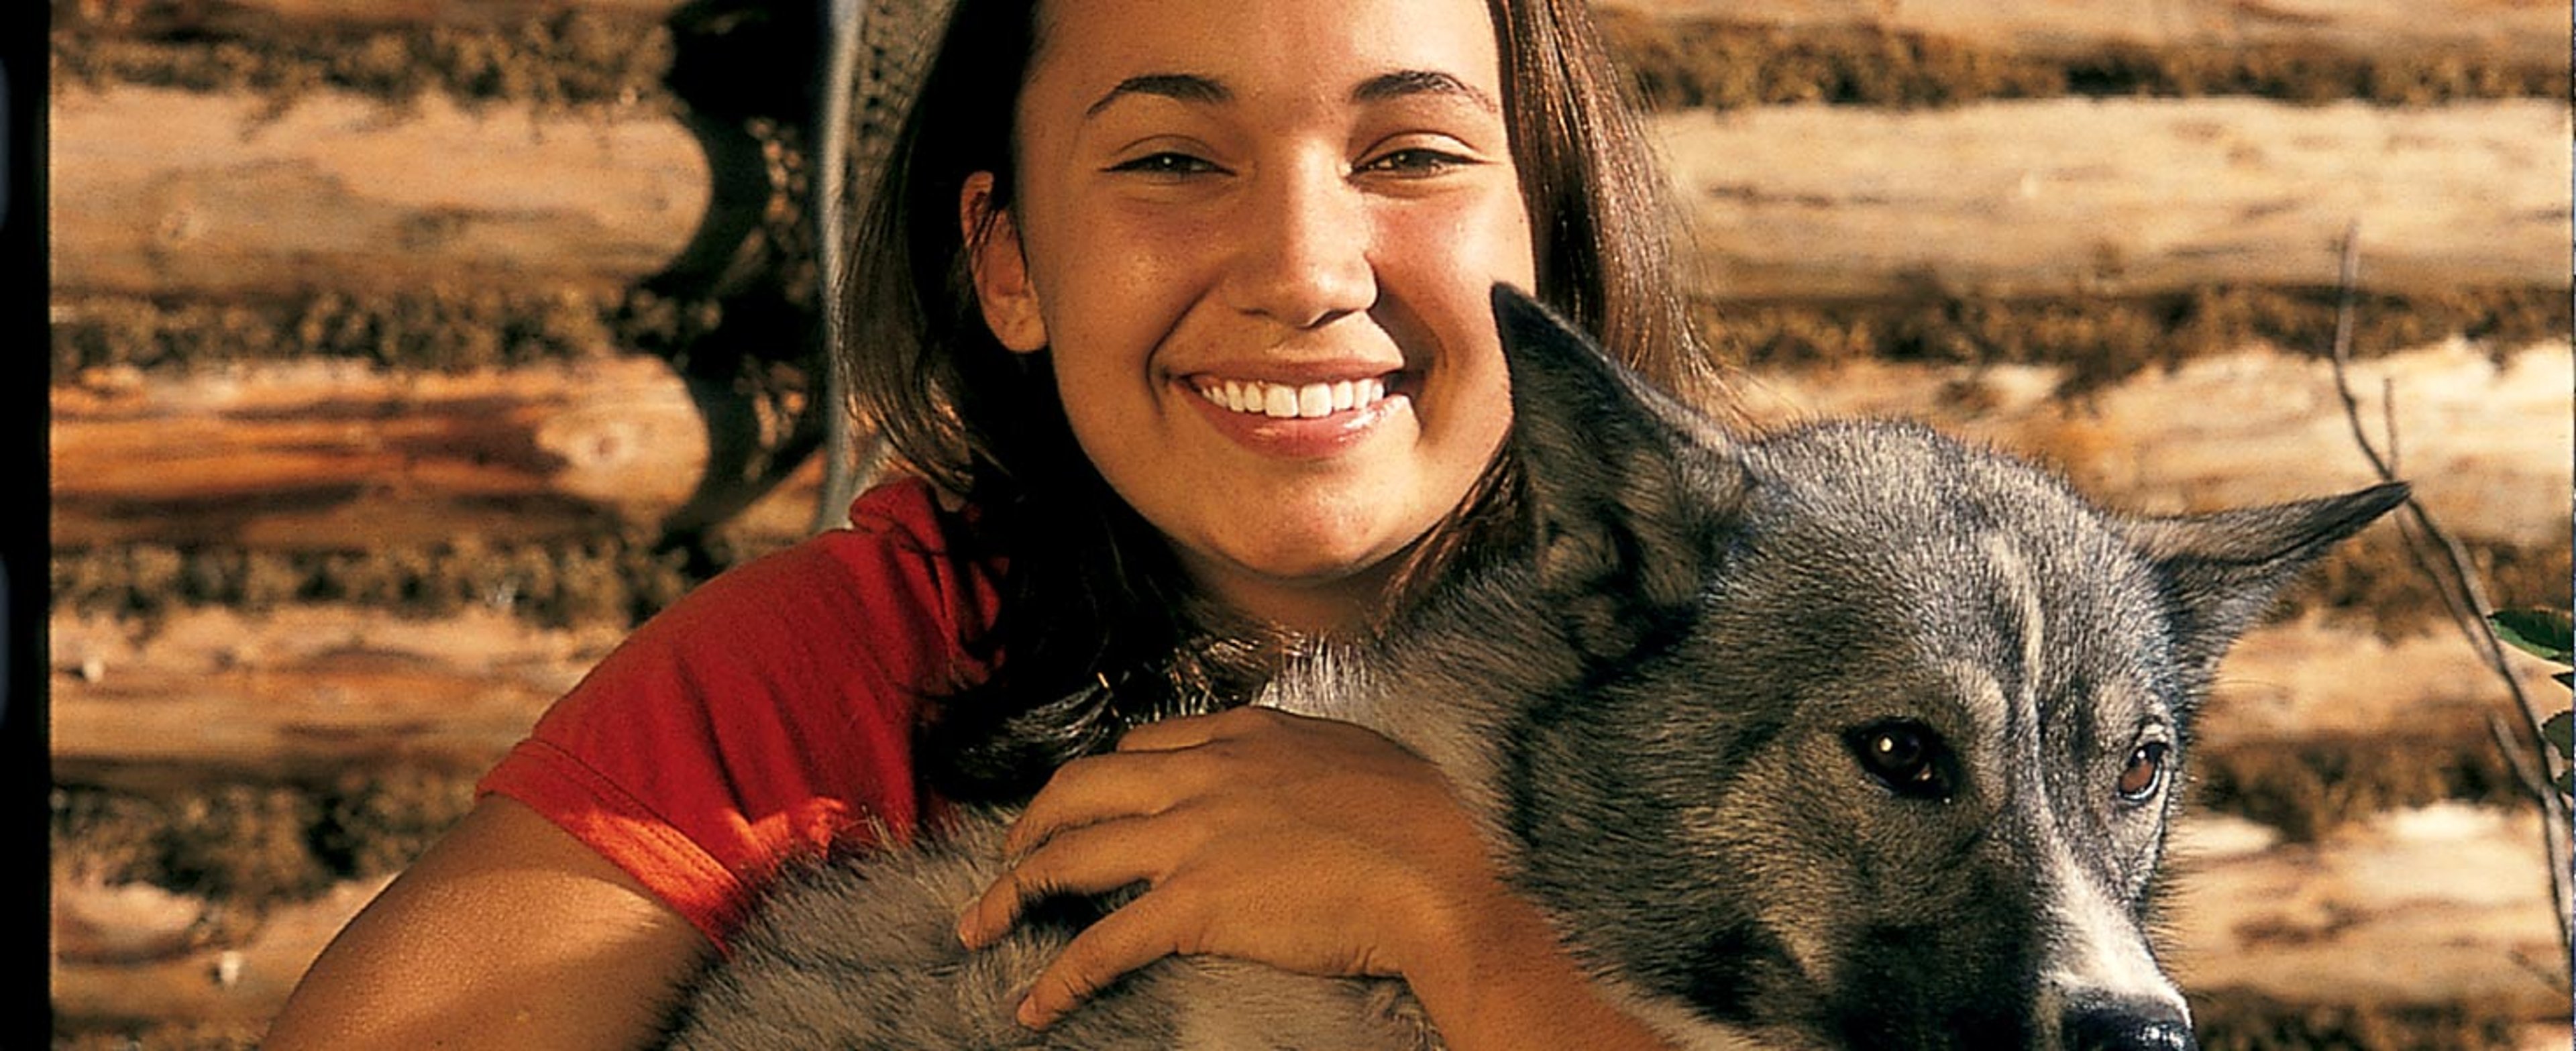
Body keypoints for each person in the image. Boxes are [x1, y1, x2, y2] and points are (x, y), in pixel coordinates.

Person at [263, 0, 1725, 1046]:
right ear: (1009, 263)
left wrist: (1461, 916)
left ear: (1556, 238)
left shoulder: (1818, 658)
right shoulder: (834, 675)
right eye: (1172, 159)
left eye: (1411, 154)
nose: (1302, 270)